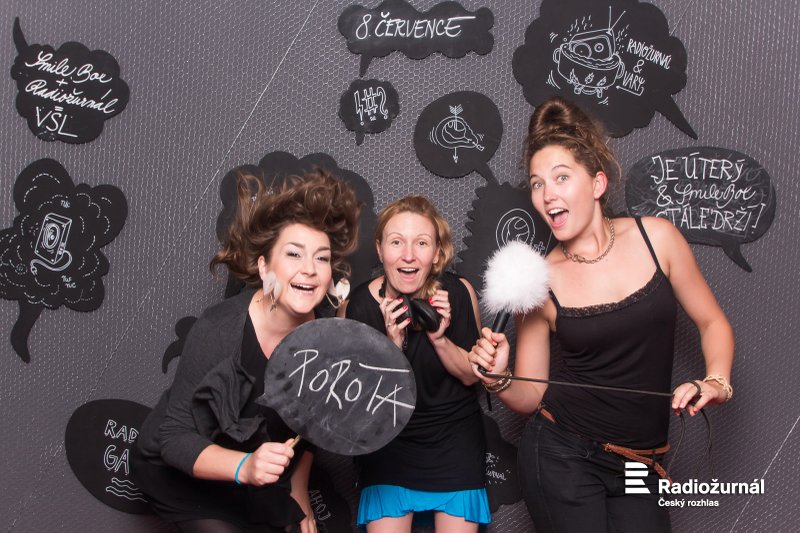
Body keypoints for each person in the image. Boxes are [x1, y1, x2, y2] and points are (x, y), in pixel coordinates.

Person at [470, 96, 735, 533]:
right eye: (537, 183)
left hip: (640, 462)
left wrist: (717, 380)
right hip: (563, 456)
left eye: (561, 177)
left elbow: (712, 322)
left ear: (597, 183)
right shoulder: (537, 282)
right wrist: (498, 378)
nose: (547, 194)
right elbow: (531, 395)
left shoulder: (658, 240)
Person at [133, 168, 360, 533]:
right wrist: (244, 467)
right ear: (264, 266)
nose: (310, 269)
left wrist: (298, 489)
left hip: (254, 473)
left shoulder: (324, 341)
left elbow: (308, 424)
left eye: (321, 258)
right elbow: (173, 439)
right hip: (181, 468)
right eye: (294, 254)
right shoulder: (221, 328)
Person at [339, 195, 490, 532]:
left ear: (436, 253)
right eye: (397, 242)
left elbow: (471, 377)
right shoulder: (357, 307)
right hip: (388, 445)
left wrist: (439, 336)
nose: (408, 255)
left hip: (454, 442)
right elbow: (357, 404)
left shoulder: (458, 293)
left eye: (421, 243)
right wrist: (390, 347)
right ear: (380, 250)